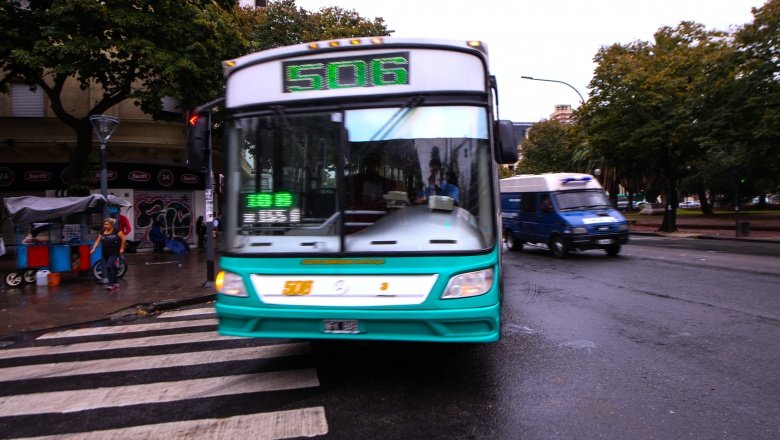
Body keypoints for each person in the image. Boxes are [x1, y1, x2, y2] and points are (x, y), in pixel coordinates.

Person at [90, 217, 125, 290]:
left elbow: (123, 239)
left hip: (114, 252)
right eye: (104, 224)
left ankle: (111, 284)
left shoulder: (116, 231)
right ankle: (116, 283)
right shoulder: (102, 232)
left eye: (107, 224)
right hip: (106, 252)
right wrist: (93, 249)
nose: (105, 226)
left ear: (111, 225)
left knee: (109, 266)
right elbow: (98, 241)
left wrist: (122, 248)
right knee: (113, 267)